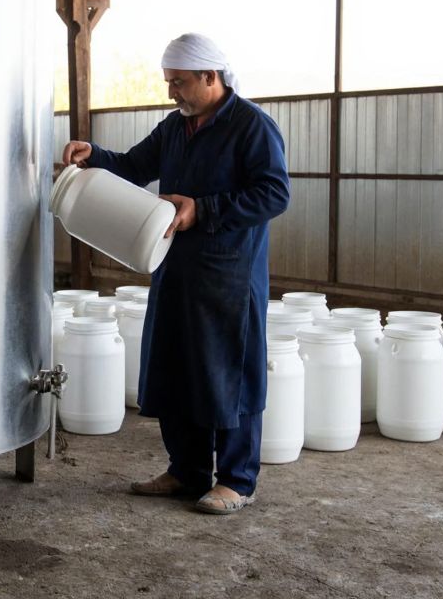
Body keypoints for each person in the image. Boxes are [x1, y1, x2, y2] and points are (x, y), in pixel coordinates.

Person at [61, 33, 290, 515]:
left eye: (180, 83)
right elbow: (134, 166)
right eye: (169, 83)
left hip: (228, 274)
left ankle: (236, 480)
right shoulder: (174, 127)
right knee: (176, 368)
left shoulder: (251, 127)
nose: (173, 93)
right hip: (175, 268)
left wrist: (200, 210)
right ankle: (186, 472)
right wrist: (93, 155)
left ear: (211, 77)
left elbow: (274, 194)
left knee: (229, 375)